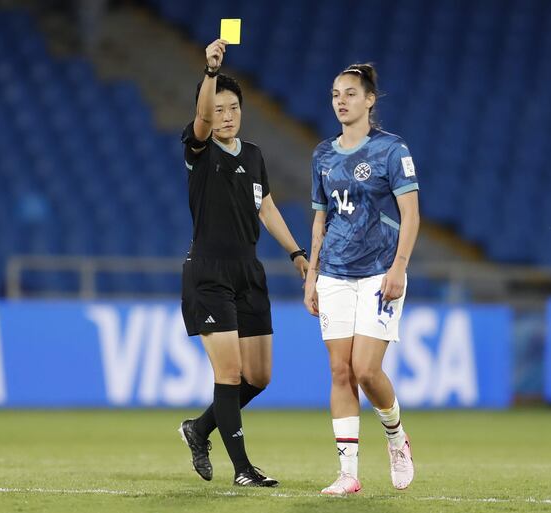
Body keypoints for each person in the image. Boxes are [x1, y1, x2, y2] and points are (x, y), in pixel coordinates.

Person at [178, 39, 308, 487]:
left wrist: (296, 253)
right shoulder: (199, 150)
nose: (226, 115)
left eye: (233, 107)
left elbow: (266, 207)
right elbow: (197, 121)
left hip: (249, 273)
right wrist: (211, 71)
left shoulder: (252, 155)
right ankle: (243, 469)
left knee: (259, 376)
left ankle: (198, 428)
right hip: (209, 273)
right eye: (218, 108)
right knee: (229, 373)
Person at [303, 64, 420, 495]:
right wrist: (311, 275)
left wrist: (399, 267)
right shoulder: (322, 154)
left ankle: (396, 436)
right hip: (334, 273)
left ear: (370, 99)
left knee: (367, 370)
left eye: (350, 93)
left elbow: (411, 215)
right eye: (336, 93)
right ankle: (348, 473)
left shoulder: (391, 150)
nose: (341, 100)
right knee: (339, 371)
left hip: (379, 273)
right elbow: (320, 219)